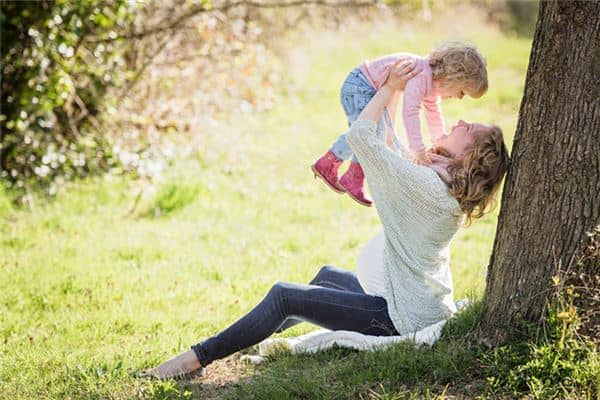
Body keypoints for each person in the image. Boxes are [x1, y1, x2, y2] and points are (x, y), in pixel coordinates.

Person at [140, 59, 508, 380]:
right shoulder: (441, 185)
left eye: (470, 129)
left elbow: (362, 137)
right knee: (326, 277)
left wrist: (391, 88)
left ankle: (195, 359)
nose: (460, 120)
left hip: (399, 317)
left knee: (285, 296)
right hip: (413, 302)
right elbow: (395, 149)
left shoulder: (426, 187)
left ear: (470, 156)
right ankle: (242, 338)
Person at [311, 42, 488, 207]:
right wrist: (417, 149)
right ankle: (336, 166)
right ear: (454, 77)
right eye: (463, 92)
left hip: (365, 88)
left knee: (370, 134)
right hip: (360, 87)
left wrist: (439, 142)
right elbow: (410, 112)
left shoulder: (431, 83)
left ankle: (349, 174)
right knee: (367, 133)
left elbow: (433, 114)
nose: (459, 98)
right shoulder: (420, 74)